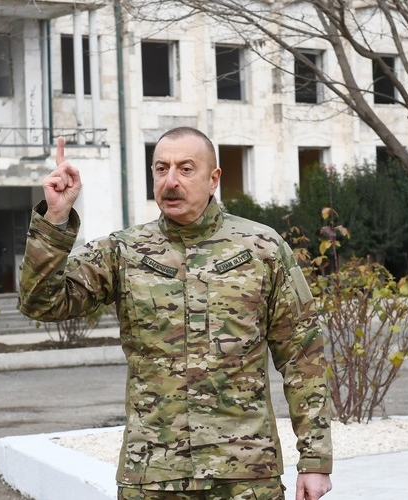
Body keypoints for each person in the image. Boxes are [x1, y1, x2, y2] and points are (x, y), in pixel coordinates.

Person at [19, 128, 333, 500]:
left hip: (245, 474)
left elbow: (302, 356)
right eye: (161, 168)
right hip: (153, 473)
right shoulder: (124, 252)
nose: (171, 181)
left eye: (185, 169)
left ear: (213, 178)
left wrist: (315, 460)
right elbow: (41, 302)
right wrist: (56, 219)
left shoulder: (262, 248)